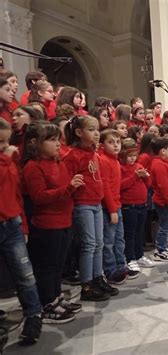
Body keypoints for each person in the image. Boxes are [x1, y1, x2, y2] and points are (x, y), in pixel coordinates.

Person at [22, 122, 82, 324]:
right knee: (47, 267)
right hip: (47, 225)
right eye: (51, 140)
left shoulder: (58, 162)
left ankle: (56, 298)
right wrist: (68, 189)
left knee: (58, 265)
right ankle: (48, 303)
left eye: (58, 139)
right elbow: (39, 197)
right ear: (34, 143)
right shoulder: (33, 167)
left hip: (64, 220)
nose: (58, 144)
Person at [63, 115, 118, 301]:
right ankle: (86, 285)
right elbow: (67, 182)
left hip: (95, 203)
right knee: (88, 245)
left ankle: (97, 278)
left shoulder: (93, 154)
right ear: (79, 132)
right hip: (82, 204)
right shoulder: (72, 156)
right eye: (91, 130)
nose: (96, 134)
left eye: (97, 130)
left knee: (99, 244)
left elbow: (99, 179)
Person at [0, 118, 43, 345]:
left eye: (7, 141)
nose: (7, 146)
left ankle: (34, 315)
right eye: (0, 142)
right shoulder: (7, 161)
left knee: (25, 275)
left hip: (13, 224)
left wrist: (23, 224)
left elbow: (16, 194)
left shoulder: (9, 162)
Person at [99, 129, 137, 283]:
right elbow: (105, 187)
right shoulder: (103, 160)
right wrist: (112, 209)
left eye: (118, 142)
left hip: (117, 204)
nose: (115, 145)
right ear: (102, 145)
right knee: (109, 241)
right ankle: (111, 270)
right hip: (109, 207)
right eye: (110, 142)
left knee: (119, 239)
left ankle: (121, 266)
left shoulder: (114, 160)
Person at [119, 138, 157, 270]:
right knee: (130, 234)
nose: (132, 158)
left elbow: (149, 184)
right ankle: (130, 258)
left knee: (140, 232)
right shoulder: (121, 167)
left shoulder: (138, 166)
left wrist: (146, 176)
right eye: (129, 156)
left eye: (134, 156)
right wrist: (135, 176)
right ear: (123, 155)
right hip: (129, 206)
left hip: (142, 204)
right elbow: (121, 186)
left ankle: (139, 255)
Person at [149, 137, 168, 261]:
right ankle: (160, 250)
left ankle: (163, 247)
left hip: (167, 201)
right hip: (164, 202)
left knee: (167, 226)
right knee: (165, 227)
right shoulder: (159, 165)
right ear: (163, 151)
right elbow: (163, 186)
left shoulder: (163, 163)